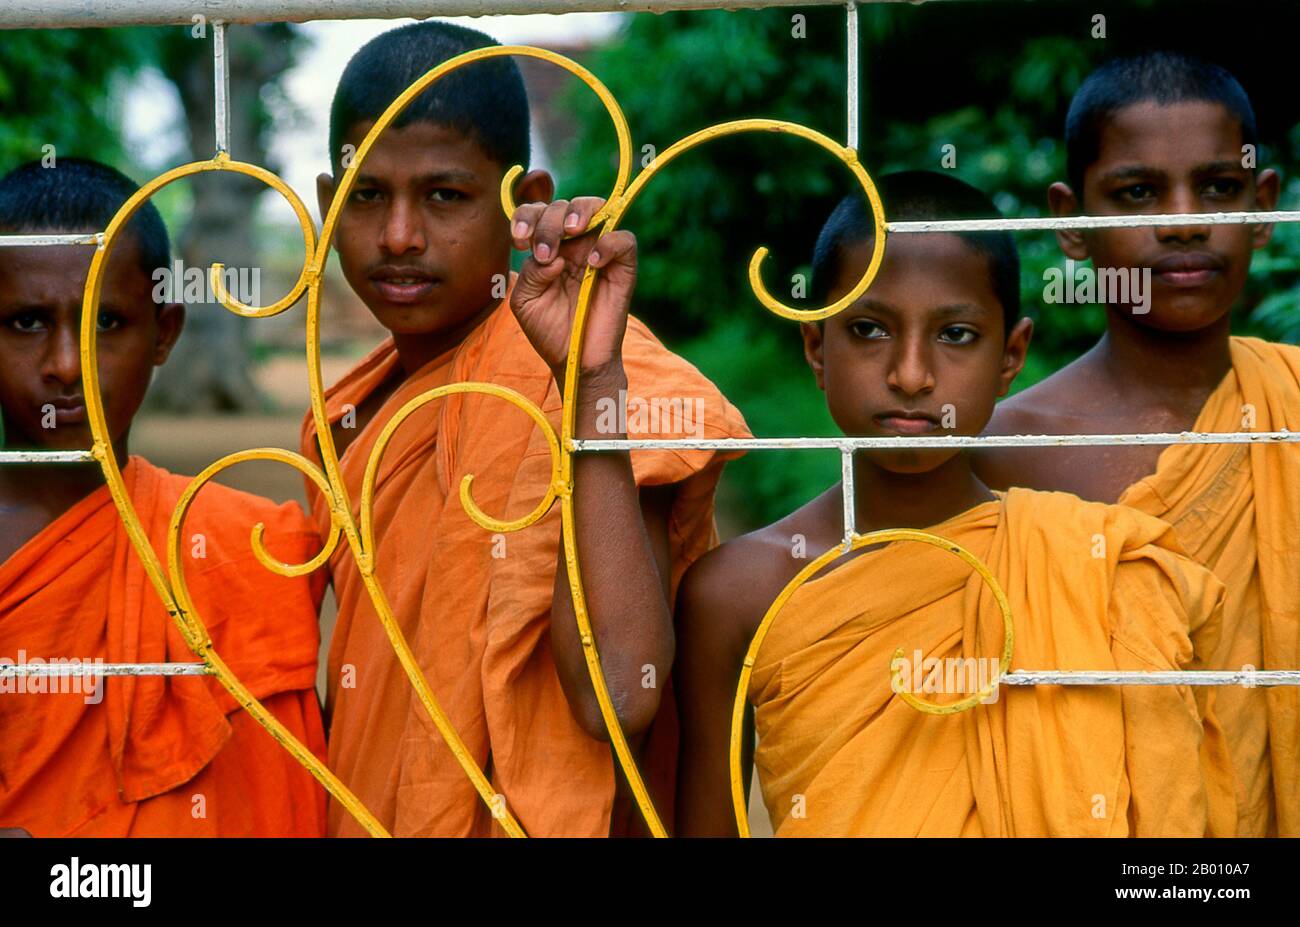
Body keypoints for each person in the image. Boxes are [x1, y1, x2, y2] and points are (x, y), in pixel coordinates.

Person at [673, 171, 1233, 837]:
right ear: (816, 346)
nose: (911, 374)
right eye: (869, 329)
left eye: (957, 335)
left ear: (1012, 353)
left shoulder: (1092, 570)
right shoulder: (738, 591)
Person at [303, 20, 749, 837]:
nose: (400, 235)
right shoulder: (342, 415)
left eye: (444, 196)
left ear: (526, 203)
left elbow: (620, 692)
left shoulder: (608, 375)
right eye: (367, 195)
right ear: (330, 206)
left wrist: (591, 384)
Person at [974, 50, 1296, 837]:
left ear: (1263, 207)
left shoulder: (1292, 406)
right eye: (1138, 192)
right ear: (1071, 223)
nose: (1183, 220)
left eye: (1218, 188)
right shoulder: (1005, 450)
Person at [0, 158, 327, 836]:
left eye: (106, 323)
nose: (67, 363)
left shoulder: (248, 550)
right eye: (28, 322)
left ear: (165, 331)